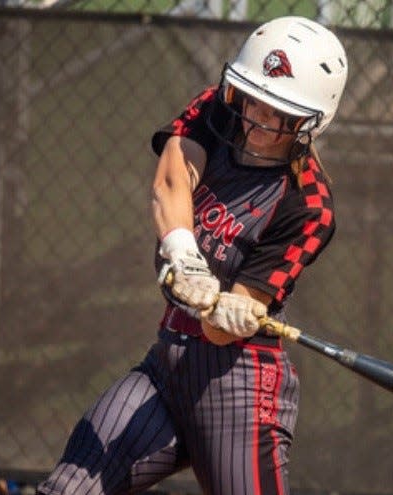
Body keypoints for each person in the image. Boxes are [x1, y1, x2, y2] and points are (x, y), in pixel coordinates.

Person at [37, 16, 348, 495]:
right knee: (68, 488)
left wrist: (230, 309)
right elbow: (172, 179)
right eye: (254, 100)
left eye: (280, 113)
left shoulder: (308, 206)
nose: (260, 121)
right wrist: (183, 252)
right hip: (168, 366)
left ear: (311, 121)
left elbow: (218, 331)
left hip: (238, 385)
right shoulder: (220, 109)